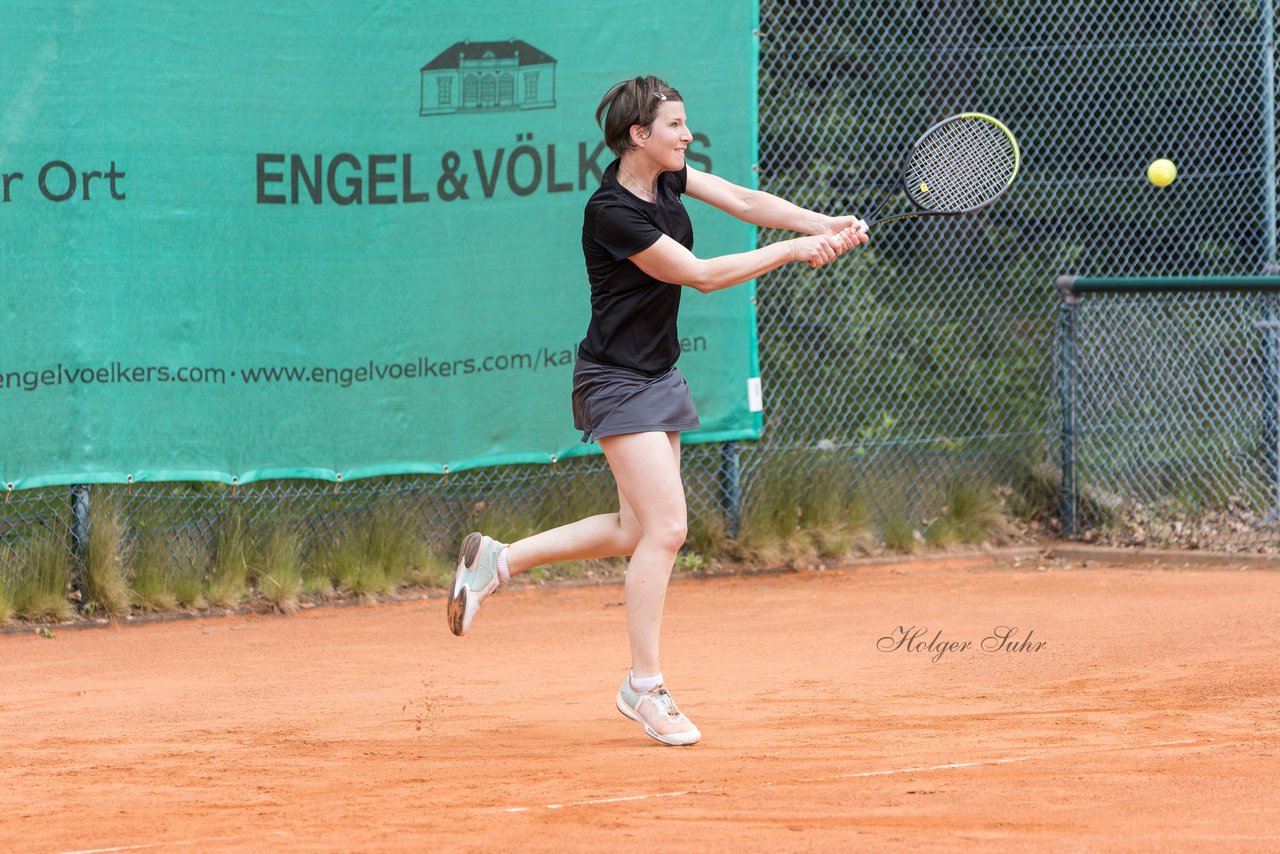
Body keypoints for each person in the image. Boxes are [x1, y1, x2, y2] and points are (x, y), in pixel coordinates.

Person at [447, 75, 867, 746]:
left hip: (656, 373)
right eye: (675, 125)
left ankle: (498, 561)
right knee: (668, 528)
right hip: (614, 380)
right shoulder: (610, 211)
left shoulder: (668, 180)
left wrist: (822, 225)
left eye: (685, 122)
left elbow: (742, 198)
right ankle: (643, 687)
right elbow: (698, 274)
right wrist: (791, 251)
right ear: (638, 135)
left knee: (631, 529)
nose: (686, 134)